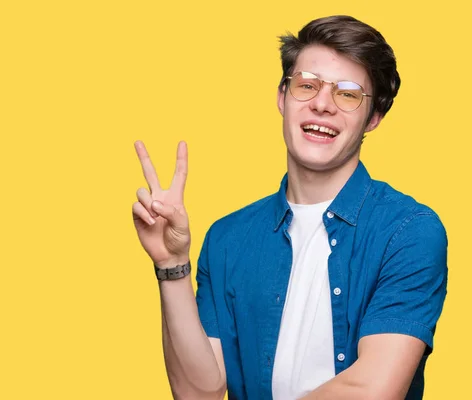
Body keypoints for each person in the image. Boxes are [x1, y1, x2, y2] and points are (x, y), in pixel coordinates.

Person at [131, 15, 448, 400]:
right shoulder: (228, 238)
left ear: (374, 118)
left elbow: (373, 390)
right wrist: (171, 265)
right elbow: (200, 393)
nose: (321, 104)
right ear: (282, 97)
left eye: (347, 93)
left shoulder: (408, 231)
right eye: (307, 85)